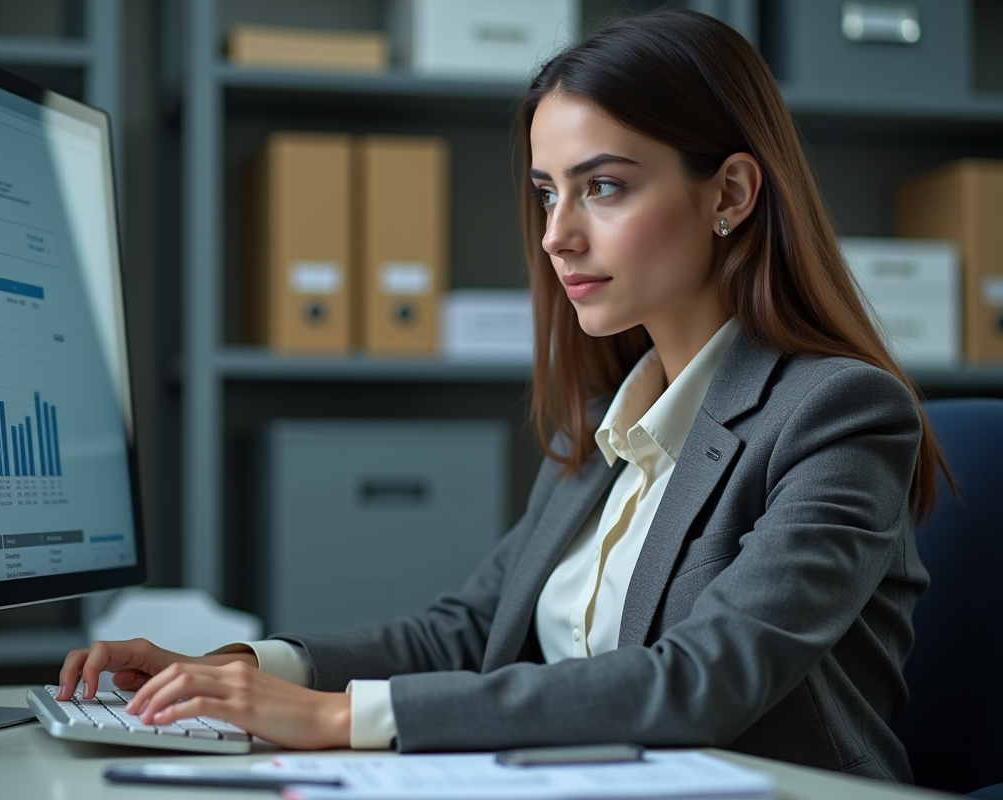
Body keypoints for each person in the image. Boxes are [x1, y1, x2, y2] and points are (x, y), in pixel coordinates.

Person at [57, 10, 943, 782]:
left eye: (603, 187)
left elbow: (701, 680)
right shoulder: (617, 425)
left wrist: (339, 720)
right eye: (545, 192)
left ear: (732, 193)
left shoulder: (839, 414)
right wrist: (243, 669)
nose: (558, 236)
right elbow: (466, 631)